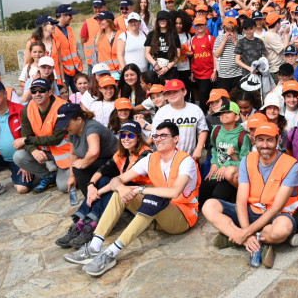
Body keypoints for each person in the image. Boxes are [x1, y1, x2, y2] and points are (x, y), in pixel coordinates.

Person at [64, 121, 200, 277]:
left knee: (153, 196)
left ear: (176, 139)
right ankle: (95, 246)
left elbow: (174, 192)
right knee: (120, 192)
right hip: (156, 215)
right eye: (156, 135)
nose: (158, 139)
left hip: (182, 217)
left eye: (164, 135)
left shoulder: (185, 160)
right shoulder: (151, 158)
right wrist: (108, 190)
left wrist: (141, 189)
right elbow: (117, 180)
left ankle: (110, 253)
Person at [202, 123, 298, 269]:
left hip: (276, 216)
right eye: (260, 140)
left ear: (278, 140)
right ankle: (256, 242)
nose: (265, 145)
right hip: (252, 211)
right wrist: (247, 235)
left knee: (282, 229)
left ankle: (235, 236)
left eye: (270, 140)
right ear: (254, 140)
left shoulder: (290, 164)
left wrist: (245, 232)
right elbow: (241, 201)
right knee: (209, 206)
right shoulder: (247, 160)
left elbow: (276, 209)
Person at [56, 120, 152, 249]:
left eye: (130, 135)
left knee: (113, 186)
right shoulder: (122, 153)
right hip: (127, 191)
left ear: (139, 137)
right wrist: (91, 186)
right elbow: (102, 170)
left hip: (143, 194)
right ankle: (81, 224)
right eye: (123, 135)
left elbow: (123, 180)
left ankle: (92, 224)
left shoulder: (146, 154)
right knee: (104, 179)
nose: (126, 139)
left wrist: (98, 192)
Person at [12, 78, 71, 193]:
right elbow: (25, 134)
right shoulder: (28, 109)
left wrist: (27, 141)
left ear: (50, 92)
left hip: (64, 154)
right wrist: (33, 150)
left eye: (41, 90)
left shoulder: (63, 107)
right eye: (34, 91)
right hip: (45, 152)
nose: (37, 94)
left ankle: (63, 171)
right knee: (19, 156)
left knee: (64, 187)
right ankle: (49, 176)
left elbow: (56, 138)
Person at [55, 103, 118, 196]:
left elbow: (94, 152)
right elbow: (73, 154)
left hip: (113, 161)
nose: (65, 128)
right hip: (98, 161)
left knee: (80, 169)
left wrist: (82, 164)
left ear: (79, 120)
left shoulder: (91, 128)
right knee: (77, 170)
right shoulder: (73, 132)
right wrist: (72, 176)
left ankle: (96, 199)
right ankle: (90, 199)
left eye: (67, 124)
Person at [200, 100, 251, 207]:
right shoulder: (216, 130)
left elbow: (245, 161)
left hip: (230, 175)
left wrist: (227, 166)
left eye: (227, 113)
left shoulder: (243, 136)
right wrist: (214, 163)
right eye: (221, 113)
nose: (224, 115)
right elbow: (214, 148)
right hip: (216, 171)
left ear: (236, 117)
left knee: (218, 196)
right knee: (202, 193)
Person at [152, 79, 208, 161]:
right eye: (169, 93)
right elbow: (155, 136)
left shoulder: (195, 109)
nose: (172, 95)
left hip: (191, 156)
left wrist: (199, 148)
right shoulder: (161, 113)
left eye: (175, 91)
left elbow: (202, 130)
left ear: (184, 92)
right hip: (168, 157)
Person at [52, 4, 84, 91]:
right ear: (63, 15)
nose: (72, 17)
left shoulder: (69, 29)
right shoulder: (53, 31)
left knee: (80, 96)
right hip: (64, 72)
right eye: (70, 15)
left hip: (76, 69)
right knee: (65, 97)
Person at [190, 15, 217, 112]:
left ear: (206, 25)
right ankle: (200, 112)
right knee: (197, 94)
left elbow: (215, 56)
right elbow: (193, 56)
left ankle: (205, 114)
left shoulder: (211, 38)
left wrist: (215, 71)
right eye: (197, 25)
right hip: (196, 72)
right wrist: (192, 72)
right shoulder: (193, 39)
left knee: (204, 94)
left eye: (201, 24)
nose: (199, 27)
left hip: (208, 72)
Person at [145, 11, 180, 81]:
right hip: (156, 67)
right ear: (157, 21)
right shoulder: (151, 34)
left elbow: (178, 54)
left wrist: (167, 67)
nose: (162, 21)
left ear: (168, 21)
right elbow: (147, 53)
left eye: (164, 19)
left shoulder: (174, 35)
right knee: (157, 90)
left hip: (170, 68)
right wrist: (155, 64)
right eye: (160, 20)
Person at [81, 0, 108, 76]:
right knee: (92, 86)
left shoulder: (111, 20)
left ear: (105, 7)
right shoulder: (87, 22)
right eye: (95, 8)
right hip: (92, 62)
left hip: (107, 60)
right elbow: (83, 39)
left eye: (100, 7)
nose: (97, 10)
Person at [92, 11, 121, 76]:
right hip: (104, 73)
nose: (99, 22)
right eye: (98, 20)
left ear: (109, 21)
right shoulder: (97, 37)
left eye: (102, 20)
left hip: (120, 73)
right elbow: (95, 58)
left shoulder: (121, 35)